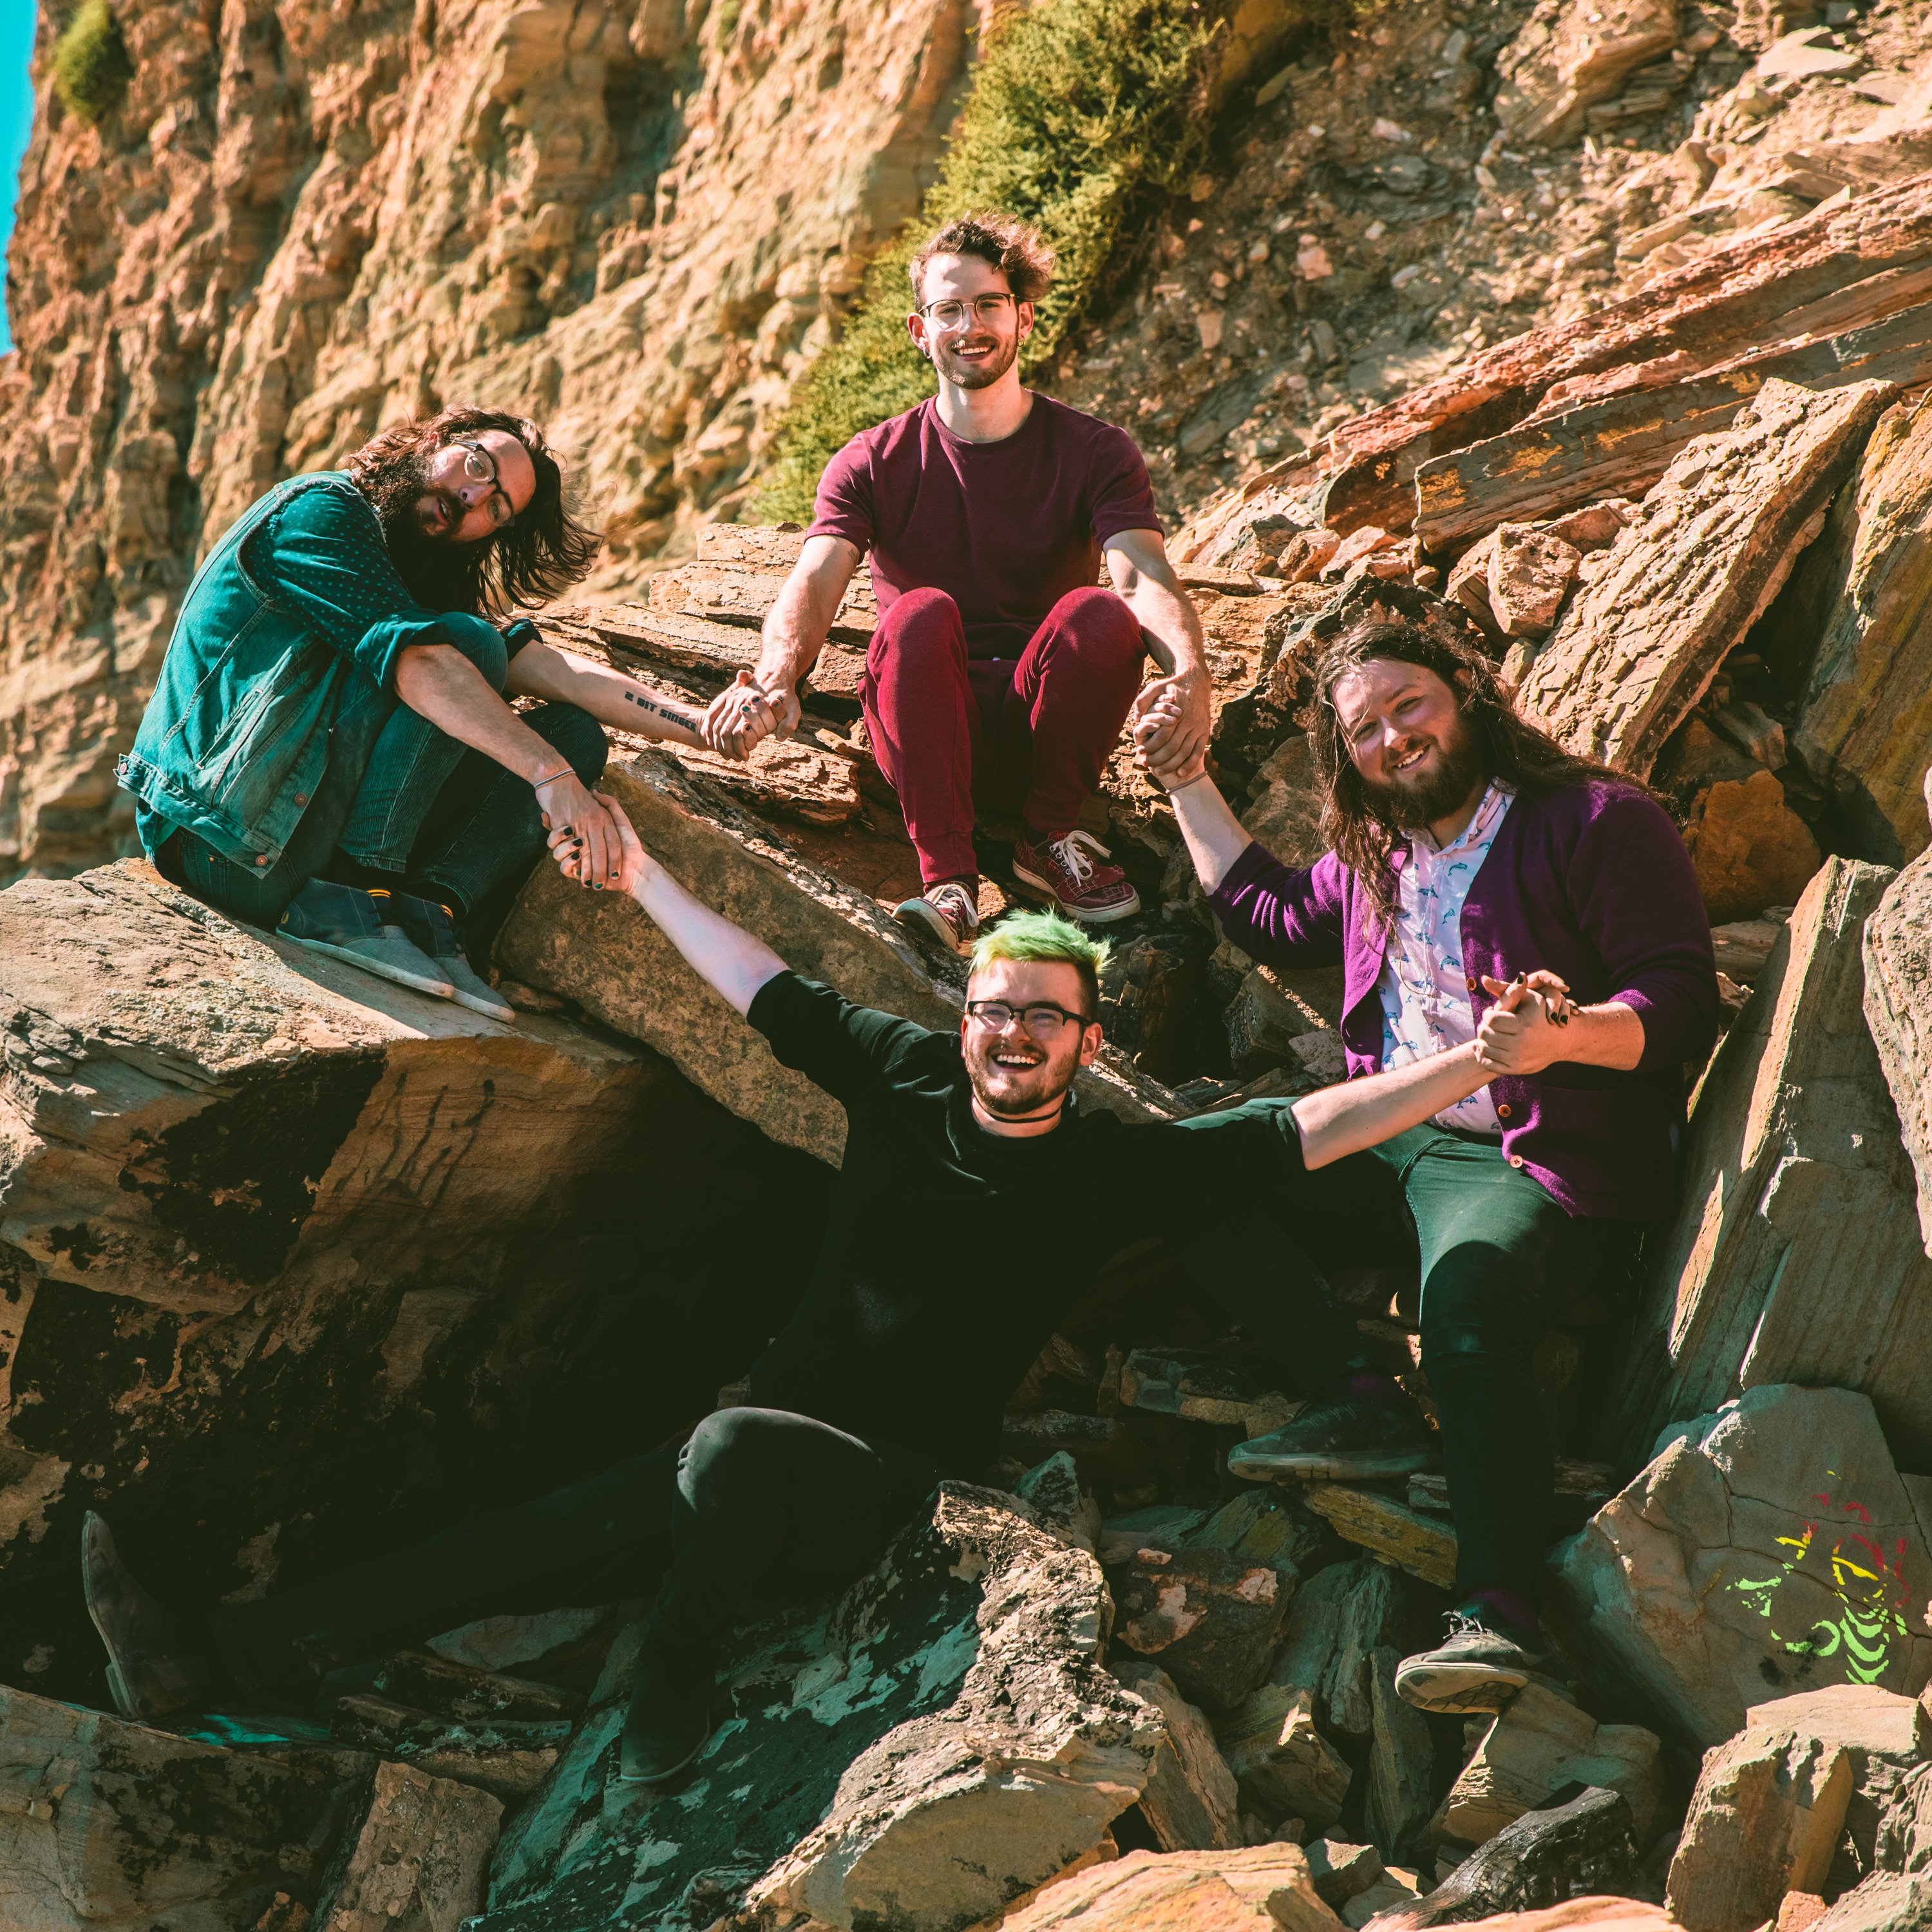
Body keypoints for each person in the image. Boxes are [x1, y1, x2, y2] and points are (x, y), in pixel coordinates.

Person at [81, 794, 1564, 1786]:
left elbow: (1299, 1131)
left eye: (1044, 1019)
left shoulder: (1112, 1167)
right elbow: (758, 984)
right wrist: (642, 873)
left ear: (1080, 1034)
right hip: (749, 1451)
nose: (1010, 1037)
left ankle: (663, 1687)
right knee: (537, 1528)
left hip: (886, 1488)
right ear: (966, 1013)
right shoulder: (908, 1073)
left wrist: (1477, 1064)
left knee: (723, 1450)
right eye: (993, 1009)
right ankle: (219, 1655)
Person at [1136, 616, 1720, 1716]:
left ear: (1467, 692)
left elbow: (1681, 1002)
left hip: (1518, 1155)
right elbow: (1265, 910)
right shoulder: (1378, 854)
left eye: (1411, 705)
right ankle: (1357, 1397)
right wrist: (1185, 778)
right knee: (1185, 1171)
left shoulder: (1595, 821)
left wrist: (1564, 1037)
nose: (1395, 739)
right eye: (1365, 730)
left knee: (1467, 1314)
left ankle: (1496, 1614)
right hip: (1383, 1130)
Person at [698, 211, 1212, 952]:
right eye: (948, 310)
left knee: (1097, 612)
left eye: (987, 305)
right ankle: (949, 881)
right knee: (918, 614)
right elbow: (814, 579)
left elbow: (1142, 573)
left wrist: (1190, 672)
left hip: (1048, 728)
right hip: (926, 730)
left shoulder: (1095, 450)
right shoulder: (872, 461)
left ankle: (1047, 841)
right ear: (919, 330)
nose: (969, 325)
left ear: (1023, 317)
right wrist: (775, 679)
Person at [117, 405, 708, 1019]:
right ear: (436, 439)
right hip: (222, 841)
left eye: (496, 509)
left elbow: (552, 672)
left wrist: (705, 727)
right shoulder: (319, 511)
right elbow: (427, 667)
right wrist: (548, 777)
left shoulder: (414, 573)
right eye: (476, 465)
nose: (474, 496)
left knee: (573, 733)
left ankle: (425, 917)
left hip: (296, 835)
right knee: (466, 656)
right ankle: (350, 893)